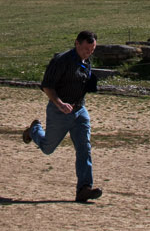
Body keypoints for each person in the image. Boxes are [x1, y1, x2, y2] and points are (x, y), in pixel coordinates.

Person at [23, 30, 103, 202]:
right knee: (47, 148)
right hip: (59, 111)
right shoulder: (61, 60)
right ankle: (34, 129)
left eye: (92, 49)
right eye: (85, 49)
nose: (88, 53)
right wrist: (60, 104)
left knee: (84, 148)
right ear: (77, 43)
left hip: (80, 111)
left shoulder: (86, 61)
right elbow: (47, 86)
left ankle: (84, 188)